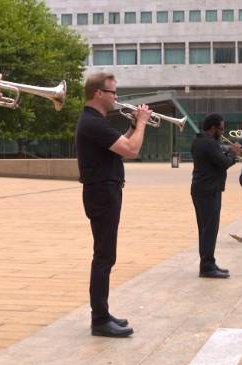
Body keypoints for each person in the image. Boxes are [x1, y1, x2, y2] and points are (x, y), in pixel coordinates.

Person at [75, 72, 151, 338]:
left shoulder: (95, 122)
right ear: (99, 94)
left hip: (105, 191)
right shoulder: (92, 122)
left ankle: (103, 313)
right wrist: (141, 123)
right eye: (113, 93)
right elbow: (131, 150)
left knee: (106, 256)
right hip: (102, 193)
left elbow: (120, 146)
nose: (117, 98)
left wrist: (132, 126)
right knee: (104, 257)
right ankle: (99, 319)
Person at [190, 113, 241, 279]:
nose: (223, 132)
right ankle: (206, 267)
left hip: (203, 189)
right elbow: (224, 163)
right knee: (209, 230)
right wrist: (233, 153)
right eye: (221, 129)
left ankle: (209, 262)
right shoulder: (209, 143)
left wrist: (227, 152)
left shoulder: (200, 141)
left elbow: (216, 159)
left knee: (206, 229)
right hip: (208, 191)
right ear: (213, 128)